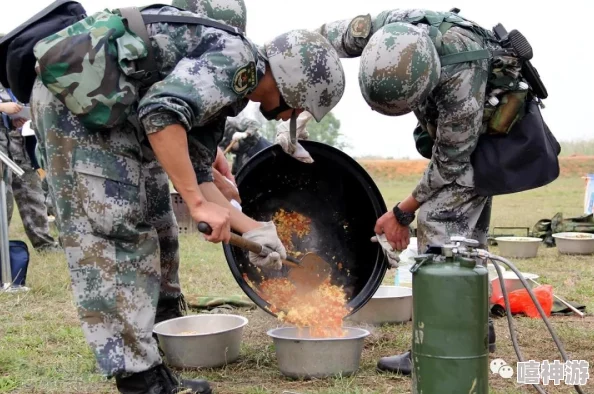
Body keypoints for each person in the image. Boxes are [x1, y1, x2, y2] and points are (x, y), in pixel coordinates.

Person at [29, 2, 345, 393]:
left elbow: (194, 171)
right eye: (299, 107)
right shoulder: (236, 61)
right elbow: (161, 114)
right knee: (116, 235)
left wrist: (256, 229)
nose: (291, 116)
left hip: (110, 115)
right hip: (76, 111)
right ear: (294, 85)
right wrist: (196, 204)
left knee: (155, 223)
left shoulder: (235, 88)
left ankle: (153, 357)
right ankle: (141, 382)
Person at [310, 9, 513, 375]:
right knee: (465, 237)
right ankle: (475, 331)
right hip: (460, 136)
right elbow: (314, 44)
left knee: (439, 221)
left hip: (487, 134)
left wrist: (402, 213)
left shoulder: (460, 85)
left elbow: (450, 165)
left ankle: (439, 344)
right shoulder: (380, 33)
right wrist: (300, 103)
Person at [0, 83, 59, 252]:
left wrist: (14, 120)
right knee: (4, 203)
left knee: (33, 196)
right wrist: (2, 107)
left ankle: (45, 244)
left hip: (18, 146)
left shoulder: (7, 81)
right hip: (1, 154)